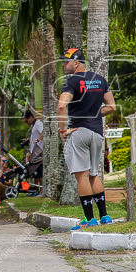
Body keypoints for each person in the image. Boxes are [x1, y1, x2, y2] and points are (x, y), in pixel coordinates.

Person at [56, 48, 116, 230]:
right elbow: (111, 107)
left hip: (79, 132)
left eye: (66, 62)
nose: (63, 65)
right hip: (97, 133)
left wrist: (63, 130)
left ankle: (89, 220)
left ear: (76, 63)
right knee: (93, 174)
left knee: (81, 176)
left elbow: (61, 106)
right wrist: (94, 114)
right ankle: (104, 216)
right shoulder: (99, 79)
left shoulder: (72, 81)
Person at [23, 108, 44, 185]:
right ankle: (36, 189)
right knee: (36, 173)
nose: (26, 123)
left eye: (26, 121)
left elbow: (44, 132)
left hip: (38, 152)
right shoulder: (34, 125)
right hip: (34, 152)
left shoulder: (38, 123)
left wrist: (38, 140)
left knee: (39, 172)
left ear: (31, 117)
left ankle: (41, 190)